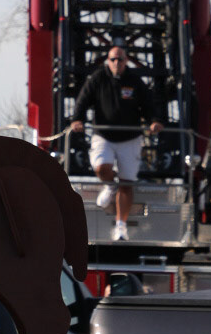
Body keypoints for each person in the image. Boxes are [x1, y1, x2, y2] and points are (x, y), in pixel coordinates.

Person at [69, 43, 161, 242]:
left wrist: (154, 121)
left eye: (120, 59)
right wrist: (77, 119)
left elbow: (148, 104)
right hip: (104, 136)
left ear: (126, 61)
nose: (117, 63)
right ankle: (110, 186)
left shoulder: (135, 81)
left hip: (130, 139)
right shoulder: (97, 79)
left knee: (127, 184)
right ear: (107, 61)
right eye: (113, 59)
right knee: (101, 166)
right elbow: (83, 100)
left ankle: (121, 227)